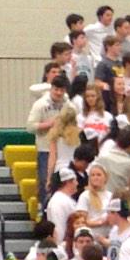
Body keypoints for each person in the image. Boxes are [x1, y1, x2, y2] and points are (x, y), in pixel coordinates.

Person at [26, 74, 73, 208]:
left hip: (63, 150)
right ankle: (43, 208)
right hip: (45, 149)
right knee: (44, 181)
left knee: (63, 181)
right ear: (51, 88)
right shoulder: (40, 104)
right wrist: (50, 124)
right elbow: (30, 127)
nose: (58, 93)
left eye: (61, 90)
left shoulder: (68, 104)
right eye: (56, 90)